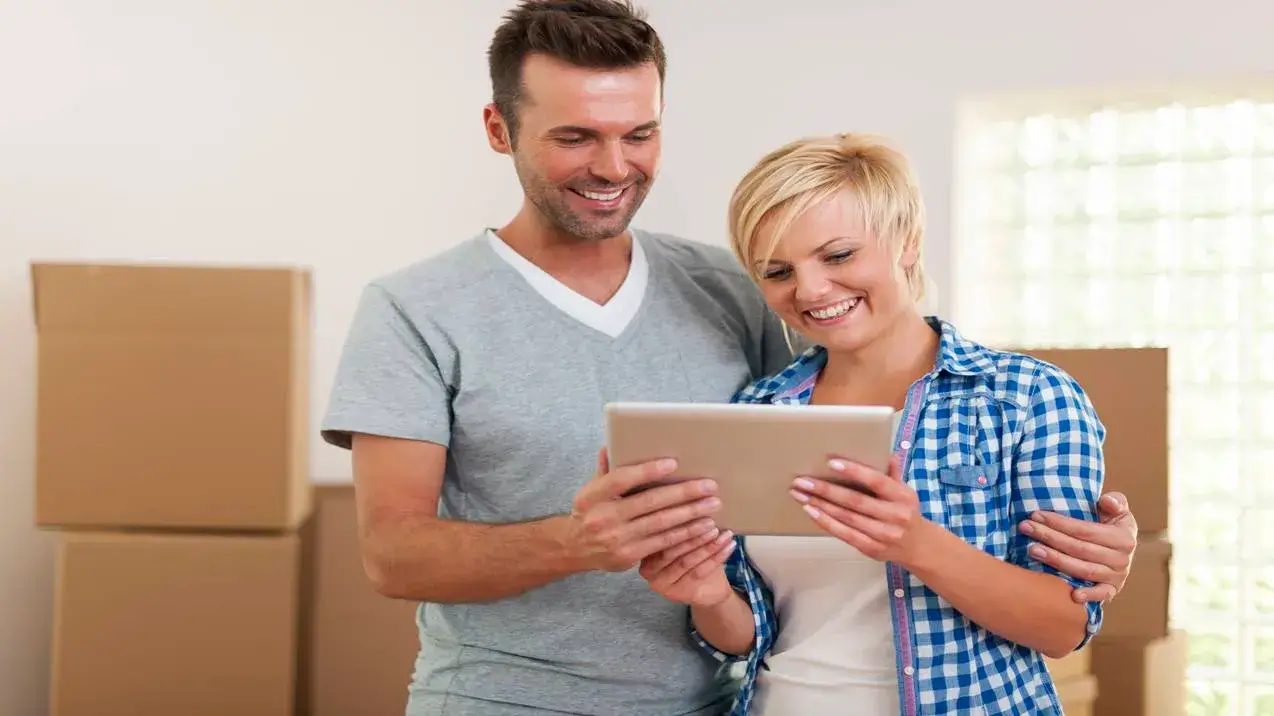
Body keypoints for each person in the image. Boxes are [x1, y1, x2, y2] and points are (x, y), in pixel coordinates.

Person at [319, 1, 1140, 714]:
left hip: (712, 700)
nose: (613, 166)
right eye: (575, 136)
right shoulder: (414, 309)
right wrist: (583, 541)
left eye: (638, 133)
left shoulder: (731, 288)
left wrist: (1107, 545)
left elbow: (873, 386)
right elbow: (392, 555)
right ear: (500, 130)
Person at [637, 132, 1115, 715]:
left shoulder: (1026, 399)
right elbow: (744, 636)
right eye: (778, 271)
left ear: (907, 244)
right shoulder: (758, 411)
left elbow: (1064, 626)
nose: (810, 289)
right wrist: (708, 595)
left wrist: (914, 542)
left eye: (838, 255)